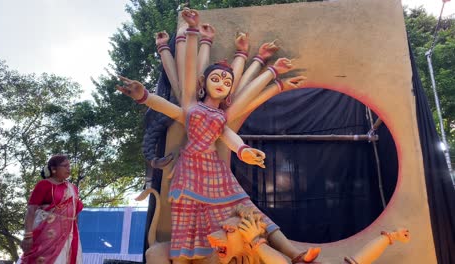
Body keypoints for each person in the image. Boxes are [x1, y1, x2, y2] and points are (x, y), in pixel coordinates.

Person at [116, 8, 318, 264]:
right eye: (216, 78)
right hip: (189, 171)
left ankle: (293, 253)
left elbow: (228, 136)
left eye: (227, 81)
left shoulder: (221, 117)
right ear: (203, 83)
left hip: (216, 171)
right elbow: (164, 105)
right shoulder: (191, 108)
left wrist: (245, 151)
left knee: (250, 212)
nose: (222, 82)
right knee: (188, 223)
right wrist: (142, 95)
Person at [20, 155, 83, 264]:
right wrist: (27, 236)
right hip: (47, 235)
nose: (69, 168)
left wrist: (75, 233)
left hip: (69, 234)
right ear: (53, 169)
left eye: (69, 166)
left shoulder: (73, 188)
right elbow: (31, 211)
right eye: (65, 166)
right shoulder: (44, 185)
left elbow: (75, 214)